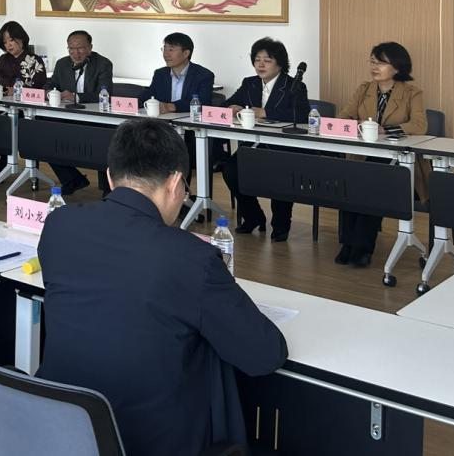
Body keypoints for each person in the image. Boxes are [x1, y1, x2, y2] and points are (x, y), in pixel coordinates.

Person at [37, 119, 287, 456]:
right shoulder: (190, 257)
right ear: (174, 183)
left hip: (60, 431)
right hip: (148, 441)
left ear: (110, 177)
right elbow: (264, 355)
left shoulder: (59, 224)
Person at [335, 42, 428, 268]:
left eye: (381, 63)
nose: (374, 67)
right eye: (372, 61)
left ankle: (362, 247)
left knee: (371, 182)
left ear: (397, 67)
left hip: (399, 163)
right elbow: (342, 118)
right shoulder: (364, 89)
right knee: (350, 180)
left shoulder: (412, 93)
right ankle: (347, 243)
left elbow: (419, 125)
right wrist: (359, 125)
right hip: (363, 157)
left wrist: (385, 130)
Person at [220, 38, 310, 241]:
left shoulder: (293, 85)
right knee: (231, 170)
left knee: (280, 175)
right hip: (253, 145)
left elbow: (301, 115)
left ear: (280, 64)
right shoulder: (249, 83)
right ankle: (253, 216)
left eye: (267, 60)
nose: (260, 64)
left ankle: (281, 224)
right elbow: (228, 103)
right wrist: (232, 107)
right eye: (257, 60)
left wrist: (265, 112)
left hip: (282, 148)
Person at [47, 30, 114, 195]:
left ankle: (108, 190)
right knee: (45, 134)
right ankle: (72, 179)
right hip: (66, 115)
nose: (75, 53)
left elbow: (105, 93)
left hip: (95, 117)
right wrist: (53, 93)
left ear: (90, 48)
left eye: (80, 48)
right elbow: (50, 85)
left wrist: (76, 97)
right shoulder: (62, 64)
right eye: (71, 48)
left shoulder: (103, 64)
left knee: (104, 141)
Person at [0, 21, 47, 184]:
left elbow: (38, 87)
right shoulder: (3, 59)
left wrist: (16, 91)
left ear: (21, 39)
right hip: (4, 108)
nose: (8, 45)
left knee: (21, 133)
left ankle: (25, 172)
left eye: (11, 40)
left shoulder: (34, 60)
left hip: (28, 111)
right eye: (4, 42)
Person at [137, 32, 215, 114]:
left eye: (171, 50)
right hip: (162, 120)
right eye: (164, 49)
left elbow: (203, 102)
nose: (166, 54)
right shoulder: (160, 74)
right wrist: (132, 103)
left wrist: (171, 106)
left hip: (189, 120)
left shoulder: (203, 75)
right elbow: (147, 96)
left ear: (186, 53)